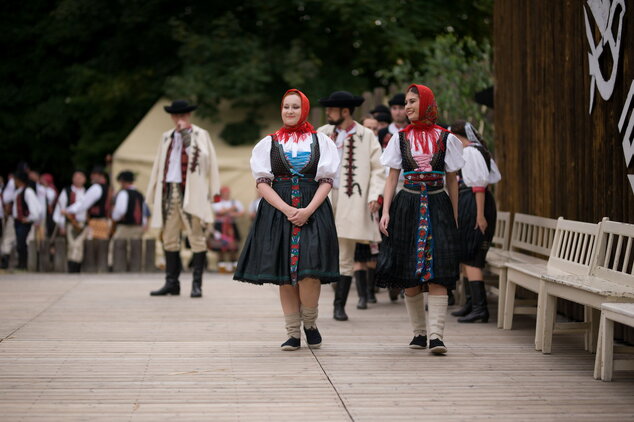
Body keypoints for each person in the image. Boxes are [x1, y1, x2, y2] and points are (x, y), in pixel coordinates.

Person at [234, 89, 340, 351]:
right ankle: (293, 332)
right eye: (286, 107)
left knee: (310, 272)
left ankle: (310, 323)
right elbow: (262, 183)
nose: (290, 111)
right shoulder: (268, 143)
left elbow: (327, 181)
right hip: (277, 212)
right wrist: (286, 209)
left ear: (303, 109)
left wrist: (307, 210)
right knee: (284, 274)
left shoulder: (321, 141)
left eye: (295, 107)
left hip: (313, 210)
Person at [377, 84, 464, 355]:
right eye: (406, 102)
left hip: (437, 204)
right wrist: (386, 211)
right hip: (407, 204)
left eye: (413, 101)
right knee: (409, 272)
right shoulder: (399, 138)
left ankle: (437, 337)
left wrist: (454, 215)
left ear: (426, 102)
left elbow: (452, 180)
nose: (408, 107)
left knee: (438, 270)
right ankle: (419, 333)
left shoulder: (446, 138)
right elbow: (392, 177)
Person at [317, 91, 386, 321]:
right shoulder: (322, 133)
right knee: (321, 248)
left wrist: (375, 195)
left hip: (352, 199)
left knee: (346, 253)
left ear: (345, 111)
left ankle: (339, 306)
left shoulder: (366, 136)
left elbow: (379, 169)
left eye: (331, 109)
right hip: (323, 197)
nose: (327, 113)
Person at [146, 100, 220, 298]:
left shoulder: (200, 134)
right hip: (169, 190)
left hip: (191, 191)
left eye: (183, 115)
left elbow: (206, 161)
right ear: (171, 116)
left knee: (196, 236)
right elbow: (158, 166)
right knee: (169, 238)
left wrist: (187, 135)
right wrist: (153, 190)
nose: (179, 118)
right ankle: (172, 283)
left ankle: (197, 285)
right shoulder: (165, 137)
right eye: (176, 115)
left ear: (189, 116)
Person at [449, 121, 501, 323]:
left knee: (472, 256)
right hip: (469, 203)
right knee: (466, 254)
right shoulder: (472, 151)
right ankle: (471, 303)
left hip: (474, 204)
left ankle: (480, 308)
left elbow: (479, 185)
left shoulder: (471, 152)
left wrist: (480, 215)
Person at [109, 170, 147, 267]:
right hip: (138, 225)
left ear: (122, 181)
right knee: (134, 249)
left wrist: (114, 218)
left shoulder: (123, 193)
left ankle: (117, 266)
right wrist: (144, 223)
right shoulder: (140, 194)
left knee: (117, 246)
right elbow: (144, 211)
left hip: (125, 226)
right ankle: (135, 267)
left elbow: (121, 211)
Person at [65, 166, 113, 241]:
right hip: (105, 222)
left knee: (89, 247)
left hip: (96, 223)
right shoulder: (109, 188)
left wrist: (68, 210)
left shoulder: (96, 187)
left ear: (100, 176)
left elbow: (83, 204)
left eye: (94, 174)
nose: (91, 177)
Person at [53, 170, 87, 272]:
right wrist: (61, 225)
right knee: (72, 245)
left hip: (82, 223)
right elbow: (61, 209)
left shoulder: (87, 192)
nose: (78, 179)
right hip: (70, 223)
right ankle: (72, 267)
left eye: (80, 177)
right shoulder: (66, 192)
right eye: (76, 177)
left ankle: (77, 266)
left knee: (79, 245)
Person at [12, 171, 42, 269]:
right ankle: (21, 263)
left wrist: (29, 218)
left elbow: (35, 208)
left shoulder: (28, 191)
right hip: (17, 221)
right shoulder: (18, 191)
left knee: (23, 243)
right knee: (19, 243)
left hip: (24, 222)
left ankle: (24, 264)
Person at [210, 186, 244, 272]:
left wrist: (229, 212)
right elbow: (219, 212)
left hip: (231, 226)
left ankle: (234, 266)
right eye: (225, 193)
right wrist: (232, 209)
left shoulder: (235, 202)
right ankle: (221, 266)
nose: (227, 194)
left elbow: (241, 212)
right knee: (220, 246)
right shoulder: (217, 202)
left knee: (233, 246)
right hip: (220, 226)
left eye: (228, 193)